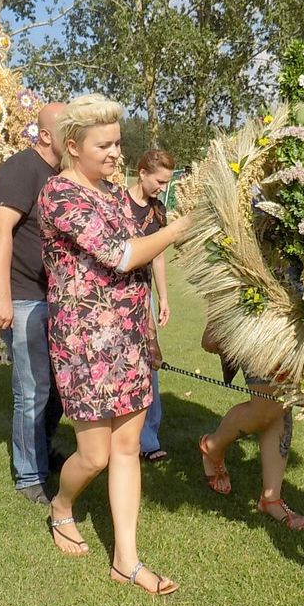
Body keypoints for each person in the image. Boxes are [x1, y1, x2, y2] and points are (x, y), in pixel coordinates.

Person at [39, 94, 191, 595]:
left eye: (117, 142)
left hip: (127, 335)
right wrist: (180, 227)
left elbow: (141, 261)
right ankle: (61, 507)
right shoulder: (59, 196)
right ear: (73, 145)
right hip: (84, 343)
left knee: (127, 446)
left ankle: (127, 560)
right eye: (103, 144)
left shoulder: (111, 193)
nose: (114, 153)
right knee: (96, 455)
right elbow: (123, 254)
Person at [0, 101, 67, 504]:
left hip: (53, 298)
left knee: (57, 389)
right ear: (47, 135)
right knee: (31, 389)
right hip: (21, 297)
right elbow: (0, 230)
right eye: (68, 127)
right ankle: (29, 474)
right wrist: (1, 294)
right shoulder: (21, 169)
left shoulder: (60, 176)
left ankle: (43, 449)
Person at [198, 327, 304, 531]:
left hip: (299, 322)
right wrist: (214, 323)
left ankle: (271, 498)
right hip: (260, 318)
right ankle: (212, 445)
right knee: (265, 406)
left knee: (282, 403)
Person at [127, 149, 175, 462]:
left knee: (150, 366)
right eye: (159, 181)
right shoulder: (117, 203)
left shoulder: (158, 211)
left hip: (143, 297)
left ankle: (148, 440)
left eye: (167, 183)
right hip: (115, 297)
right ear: (142, 172)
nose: (162, 188)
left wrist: (164, 297)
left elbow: (157, 255)